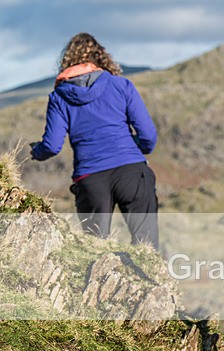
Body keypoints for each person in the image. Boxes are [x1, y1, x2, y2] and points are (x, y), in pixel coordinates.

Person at [30, 32, 159, 248]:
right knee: (147, 247)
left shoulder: (59, 97)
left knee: (95, 250)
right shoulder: (121, 86)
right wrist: (133, 146)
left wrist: (37, 151)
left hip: (90, 179)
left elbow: (52, 146)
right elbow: (148, 136)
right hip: (132, 172)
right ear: (101, 58)